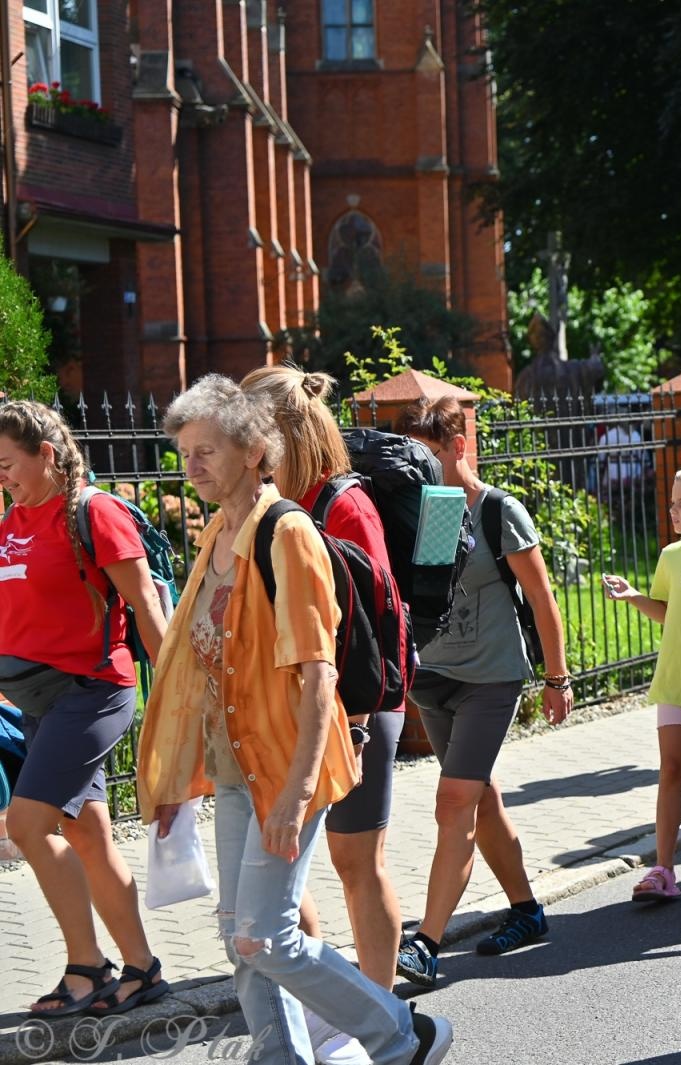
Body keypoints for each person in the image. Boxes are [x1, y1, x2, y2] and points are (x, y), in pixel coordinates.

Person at [138, 375, 451, 1065]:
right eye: (185, 453)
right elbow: (197, 663)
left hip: (284, 763)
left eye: (205, 451)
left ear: (253, 451)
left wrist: (300, 789)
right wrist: (173, 776)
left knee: (265, 935)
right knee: (238, 933)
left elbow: (318, 672)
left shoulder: (287, 533)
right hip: (234, 763)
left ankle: (403, 1035)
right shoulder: (218, 534)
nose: (191, 467)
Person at [240, 365, 403, 1059]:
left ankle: (383, 1014)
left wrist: (357, 726)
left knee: (357, 862)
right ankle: (329, 1007)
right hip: (298, 715)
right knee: (286, 869)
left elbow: (371, 624)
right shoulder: (271, 506)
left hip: (355, 712)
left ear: (278, 430)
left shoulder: (343, 505)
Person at [393, 396, 574, 987]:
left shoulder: (497, 510)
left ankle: (426, 943)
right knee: (479, 798)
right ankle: (527, 911)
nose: (420, 467)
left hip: (490, 679)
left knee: (453, 803)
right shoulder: (432, 511)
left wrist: (556, 678)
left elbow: (542, 600)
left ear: (458, 446)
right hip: (434, 679)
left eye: (429, 454)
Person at [0, 401, 170, 1017]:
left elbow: (146, 607)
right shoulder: (12, 519)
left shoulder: (94, 512)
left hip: (92, 691)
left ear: (46, 454)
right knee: (88, 834)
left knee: (26, 826)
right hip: (38, 699)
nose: (1, 476)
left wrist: (177, 700)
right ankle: (143, 969)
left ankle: (86, 966)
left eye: (7, 463)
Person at [602, 461, 681, 899]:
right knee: (671, 769)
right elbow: (668, 611)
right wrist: (634, 596)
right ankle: (663, 868)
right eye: (672, 503)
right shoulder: (670, 556)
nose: (673, 511)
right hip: (674, 675)